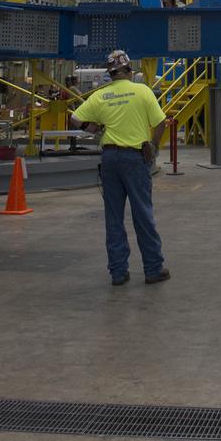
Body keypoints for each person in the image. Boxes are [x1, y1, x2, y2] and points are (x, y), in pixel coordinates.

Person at [70, 49, 169, 286]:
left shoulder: (101, 96)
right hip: (134, 159)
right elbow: (161, 122)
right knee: (142, 213)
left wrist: (95, 129)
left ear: (110, 74)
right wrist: (153, 146)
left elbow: (74, 118)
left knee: (114, 217)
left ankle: (118, 272)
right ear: (129, 71)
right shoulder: (142, 91)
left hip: (110, 160)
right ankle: (153, 269)